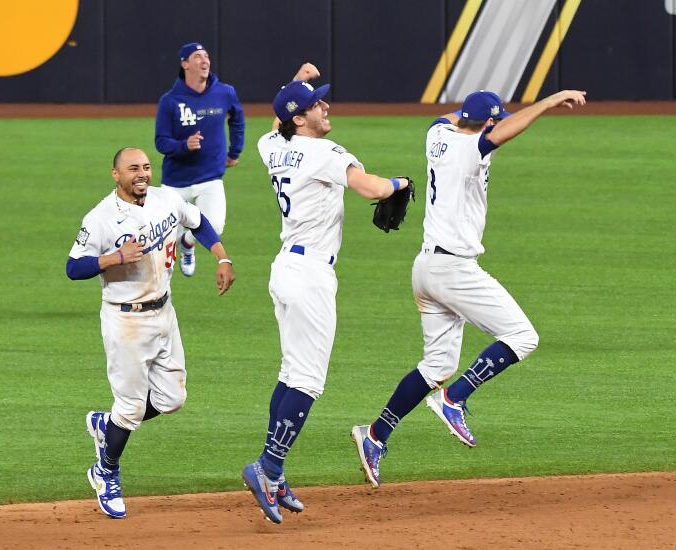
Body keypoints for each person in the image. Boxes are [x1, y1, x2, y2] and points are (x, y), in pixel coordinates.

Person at [351, 89, 587, 488]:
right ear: (488, 124)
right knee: (522, 336)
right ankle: (454, 398)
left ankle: (374, 435)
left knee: (437, 365)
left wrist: (472, 115)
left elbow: (453, 119)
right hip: (453, 270)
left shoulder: (438, 134)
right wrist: (547, 103)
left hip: (426, 268)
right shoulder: (469, 148)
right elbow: (501, 133)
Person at [240, 63, 414, 524]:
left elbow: (274, 123)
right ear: (301, 119)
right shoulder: (325, 152)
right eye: (317, 102)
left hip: (285, 269)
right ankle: (269, 466)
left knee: (291, 372)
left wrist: (296, 82)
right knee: (307, 381)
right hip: (310, 276)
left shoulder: (273, 146)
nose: (326, 105)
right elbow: (372, 188)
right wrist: (402, 183)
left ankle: (273, 474)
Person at [66, 147, 235, 519]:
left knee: (172, 399)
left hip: (164, 312)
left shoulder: (166, 199)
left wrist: (221, 257)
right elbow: (73, 267)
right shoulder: (101, 218)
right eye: (132, 169)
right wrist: (114, 258)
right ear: (116, 175)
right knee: (129, 409)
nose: (141, 174)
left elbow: (198, 221)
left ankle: (105, 426)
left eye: (145, 167)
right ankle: (105, 471)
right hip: (125, 321)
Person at [154, 42, 244, 278]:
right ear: (185, 64)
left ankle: (188, 242)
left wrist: (235, 151)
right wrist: (184, 145)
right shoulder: (170, 100)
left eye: (206, 56)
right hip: (176, 181)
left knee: (213, 227)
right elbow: (161, 142)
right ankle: (158, 291)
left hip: (209, 177)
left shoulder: (224, 92)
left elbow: (237, 118)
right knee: (164, 241)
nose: (204, 61)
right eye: (197, 57)